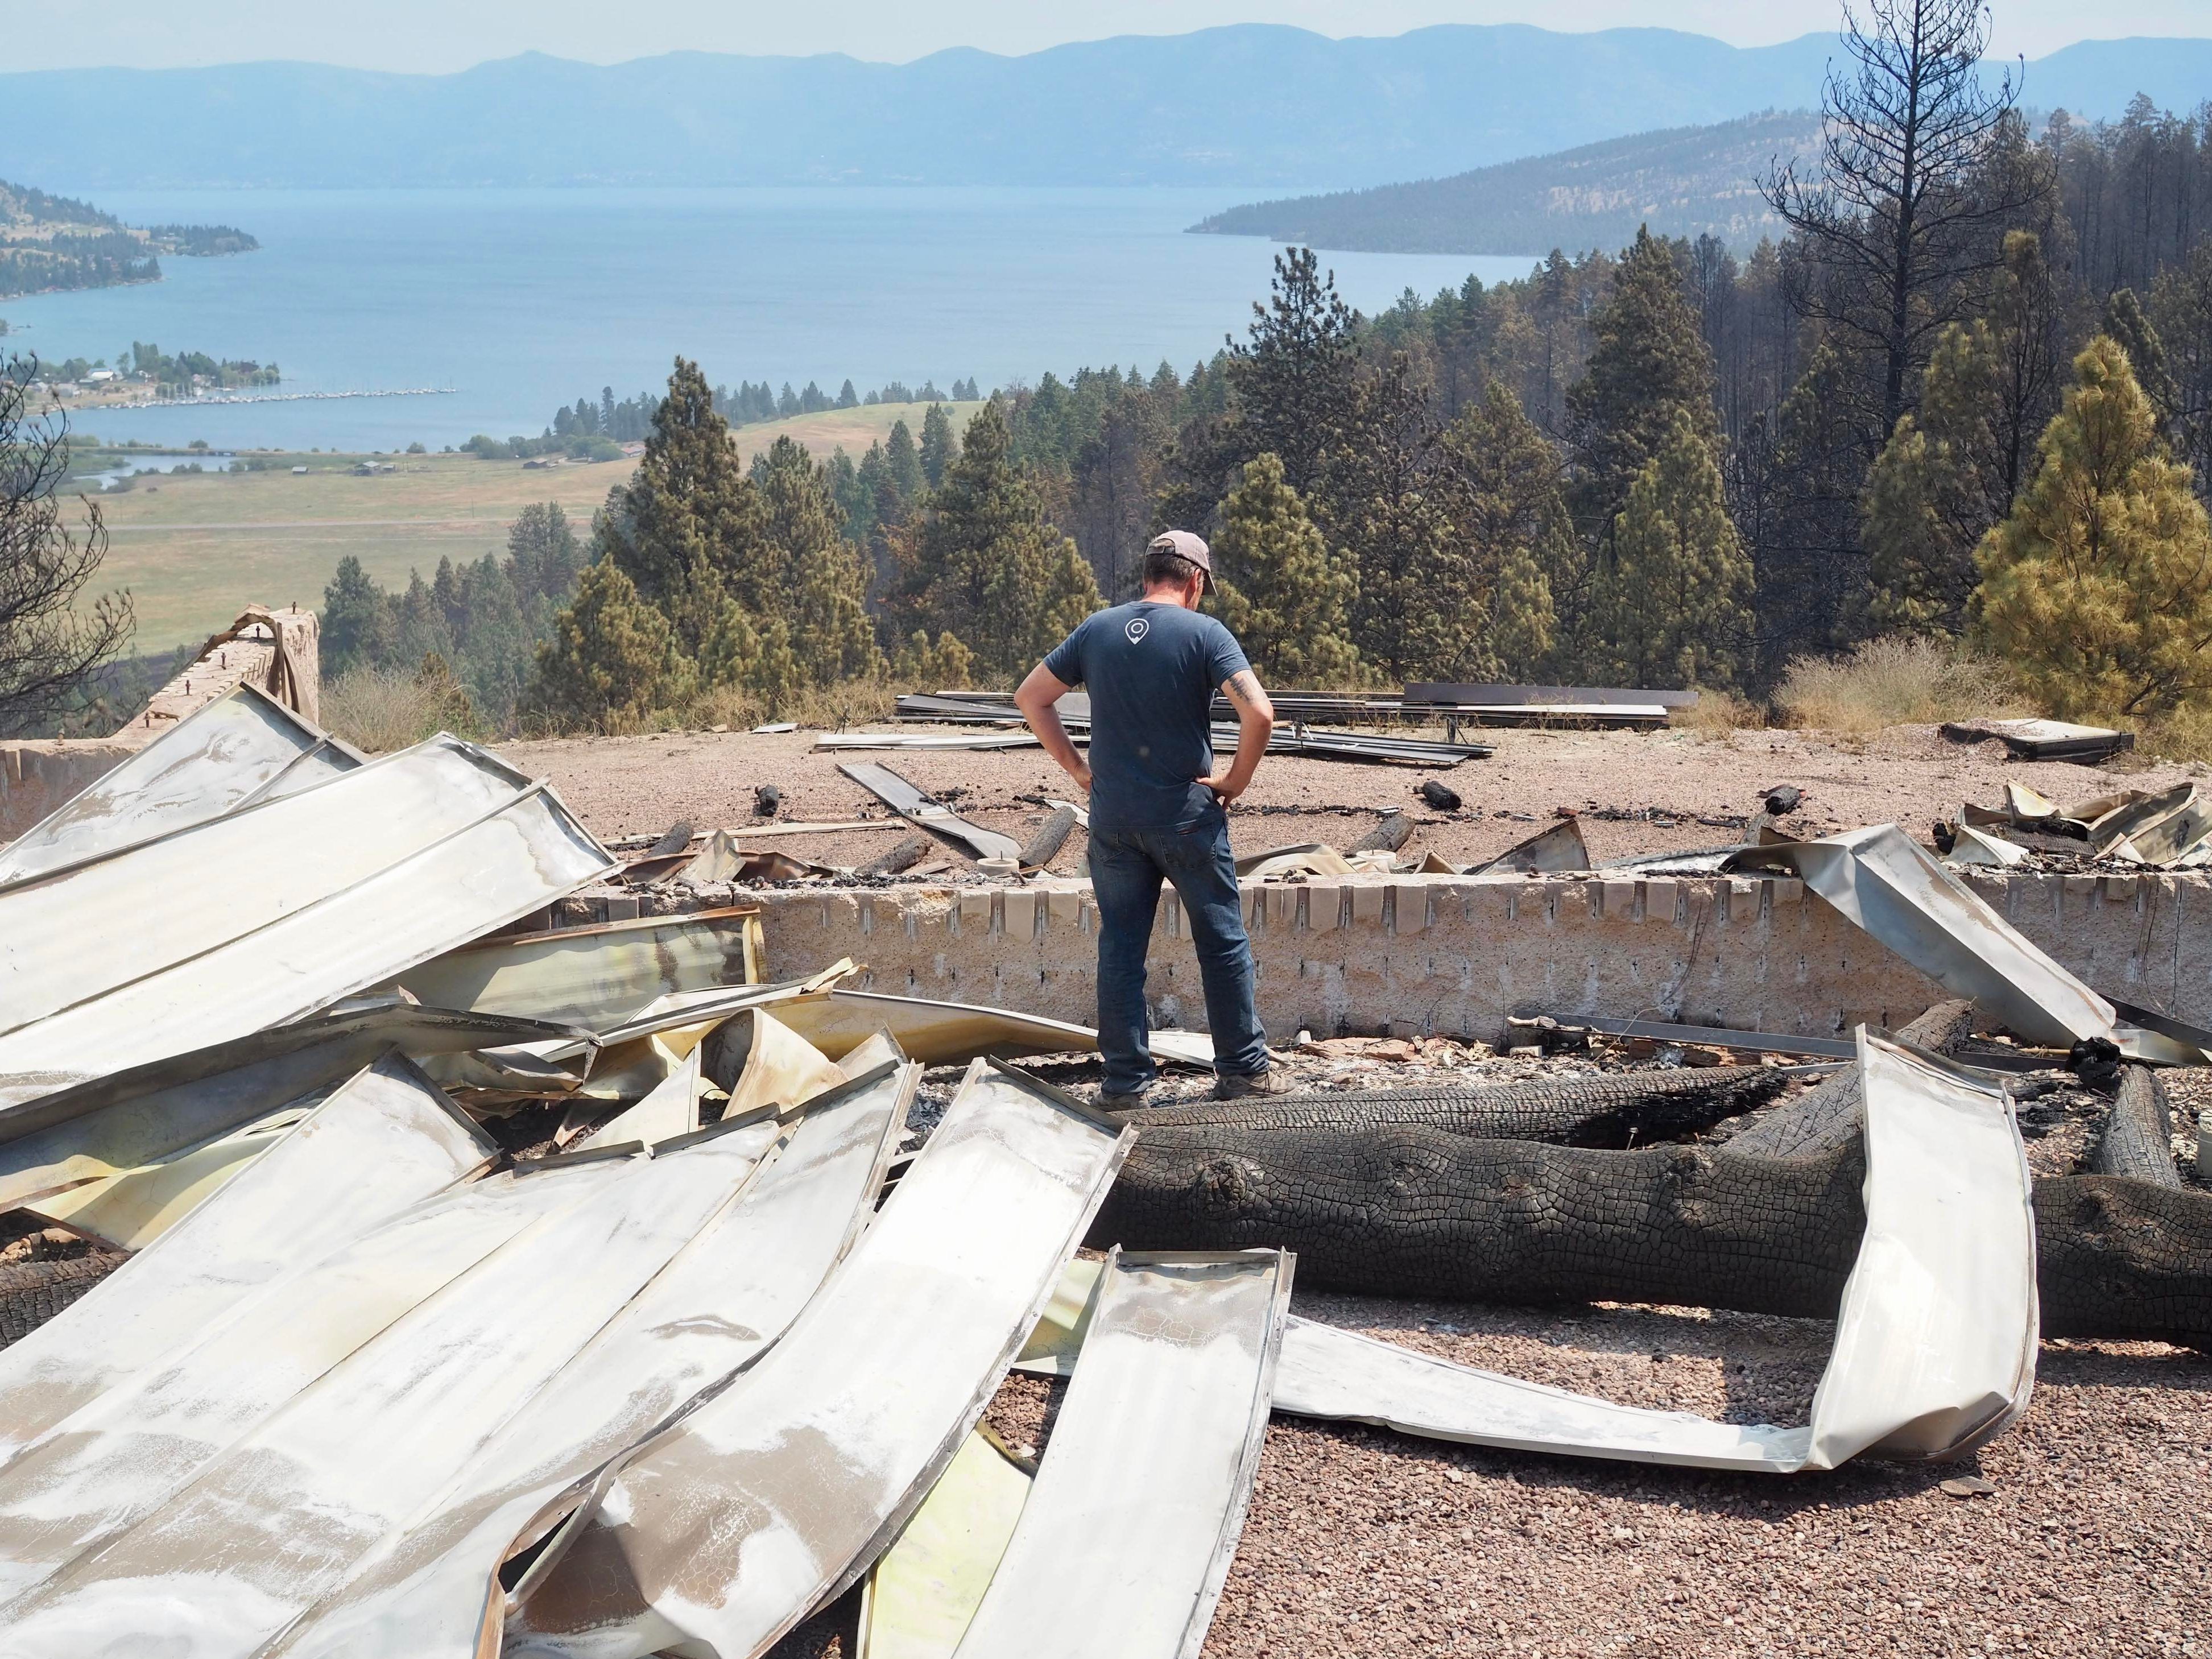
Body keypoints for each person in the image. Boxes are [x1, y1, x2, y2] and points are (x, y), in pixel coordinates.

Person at [1014, 529, 1287, 1108]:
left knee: (1120, 948)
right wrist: (1235, 781)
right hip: (1185, 817)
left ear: (1146, 577)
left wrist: (1079, 772)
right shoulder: (1205, 634)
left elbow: (1031, 697)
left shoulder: (1096, 630)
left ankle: (1124, 1085)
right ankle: (1243, 1072)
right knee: (1221, 942)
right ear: (1194, 582)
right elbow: (1259, 712)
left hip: (1113, 820)